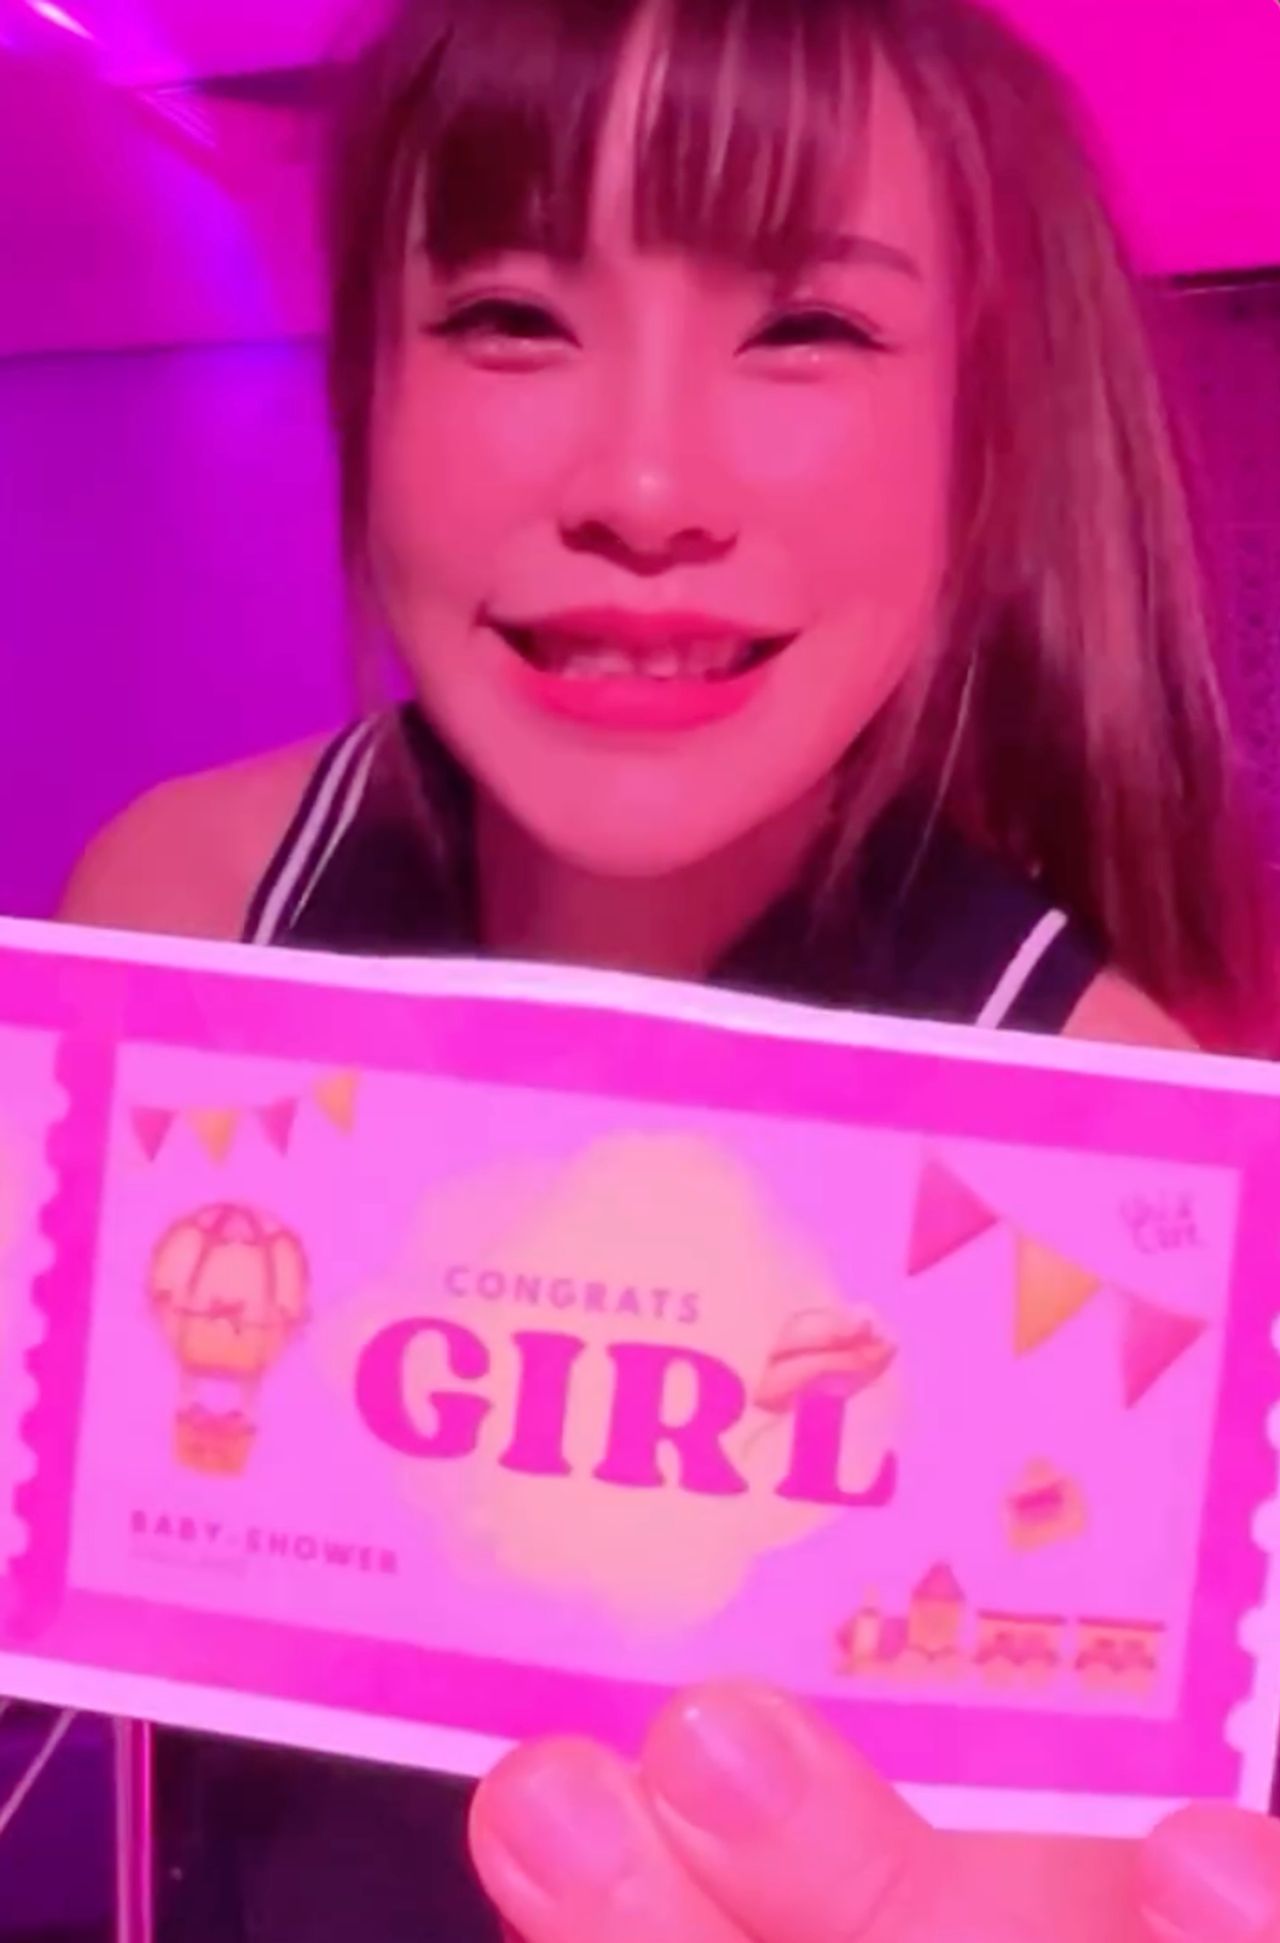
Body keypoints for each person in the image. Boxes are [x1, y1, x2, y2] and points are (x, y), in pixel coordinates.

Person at [58, 0, 1278, 1935]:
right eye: (508, 316)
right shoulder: (194, 918)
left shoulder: (1111, 1172)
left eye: (807, 329)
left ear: (983, 443)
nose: (641, 487)